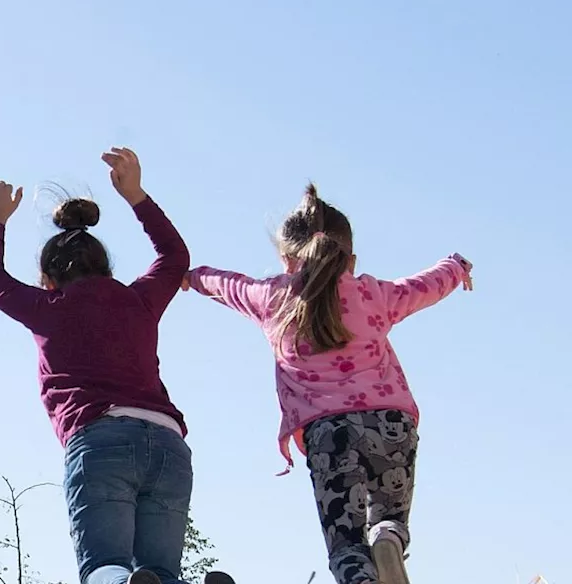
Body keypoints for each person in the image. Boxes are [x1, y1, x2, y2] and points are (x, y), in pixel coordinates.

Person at [183, 184, 474, 584]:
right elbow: (424, 286)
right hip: (392, 424)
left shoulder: (273, 297)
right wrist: (456, 266)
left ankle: (362, 575)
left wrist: (192, 277)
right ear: (350, 259)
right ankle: (388, 540)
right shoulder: (373, 292)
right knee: (387, 518)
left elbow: (227, 284)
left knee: (347, 545)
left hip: (329, 434)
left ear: (286, 259)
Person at [0, 148, 234, 584]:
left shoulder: (48, 306)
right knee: (160, 572)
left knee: (105, 569)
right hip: (169, 444)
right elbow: (174, 258)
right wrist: (136, 196)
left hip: (101, 438)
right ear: (107, 268)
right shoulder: (138, 300)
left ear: (48, 279)